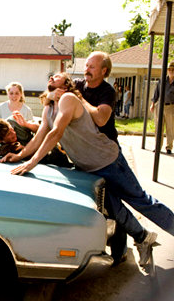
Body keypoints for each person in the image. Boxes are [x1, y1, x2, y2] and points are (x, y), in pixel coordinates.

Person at [0, 72, 174, 266]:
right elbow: (39, 137)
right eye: (50, 76)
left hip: (108, 161)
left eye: (57, 76)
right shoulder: (48, 108)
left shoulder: (68, 99)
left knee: (139, 200)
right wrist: (19, 156)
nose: (51, 77)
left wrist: (31, 163)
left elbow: (56, 132)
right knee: (114, 209)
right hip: (88, 168)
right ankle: (143, 239)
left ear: (65, 85)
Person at [73, 51, 126, 264]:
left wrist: (80, 100)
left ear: (104, 71)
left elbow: (102, 119)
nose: (86, 69)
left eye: (92, 66)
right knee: (87, 200)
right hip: (84, 153)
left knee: (114, 200)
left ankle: (119, 249)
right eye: (86, 65)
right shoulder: (77, 85)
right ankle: (87, 245)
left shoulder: (107, 91)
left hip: (107, 154)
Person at [0, 115, 73, 167]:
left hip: (53, 150)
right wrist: (23, 151)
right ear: (0, 140)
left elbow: (43, 130)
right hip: (44, 162)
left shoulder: (15, 123)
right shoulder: (2, 151)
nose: (13, 133)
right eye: (8, 134)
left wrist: (27, 125)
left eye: (11, 129)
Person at [150, 62, 174, 155]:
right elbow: (156, 92)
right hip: (160, 106)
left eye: (173, 69)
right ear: (167, 70)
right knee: (158, 127)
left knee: (170, 128)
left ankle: (169, 147)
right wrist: (152, 104)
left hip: (171, 106)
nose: (171, 71)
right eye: (169, 69)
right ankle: (157, 147)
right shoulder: (162, 80)